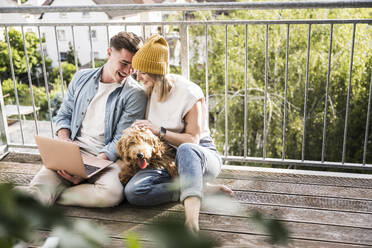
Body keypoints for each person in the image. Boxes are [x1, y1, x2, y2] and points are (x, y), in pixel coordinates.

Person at [15, 32, 147, 207]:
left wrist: (88, 171)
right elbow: (63, 115)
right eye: (124, 63)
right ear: (109, 53)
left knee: (112, 194)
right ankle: (43, 195)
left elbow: (121, 139)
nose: (128, 71)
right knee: (36, 197)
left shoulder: (135, 94)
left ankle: (55, 195)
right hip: (72, 152)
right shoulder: (81, 78)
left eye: (133, 66)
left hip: (105, 159)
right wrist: (65, 143)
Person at [124, 34, 233, 233]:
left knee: (186, 149)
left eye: (142, 72)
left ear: (156, 71)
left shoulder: (190, 93)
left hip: (199, 154)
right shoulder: (149, 90)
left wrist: (159, 131)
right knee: (133, 192)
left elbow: (193, 139)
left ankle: (191, 223)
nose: (138, 77)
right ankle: (197, 189)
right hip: (167, 157)